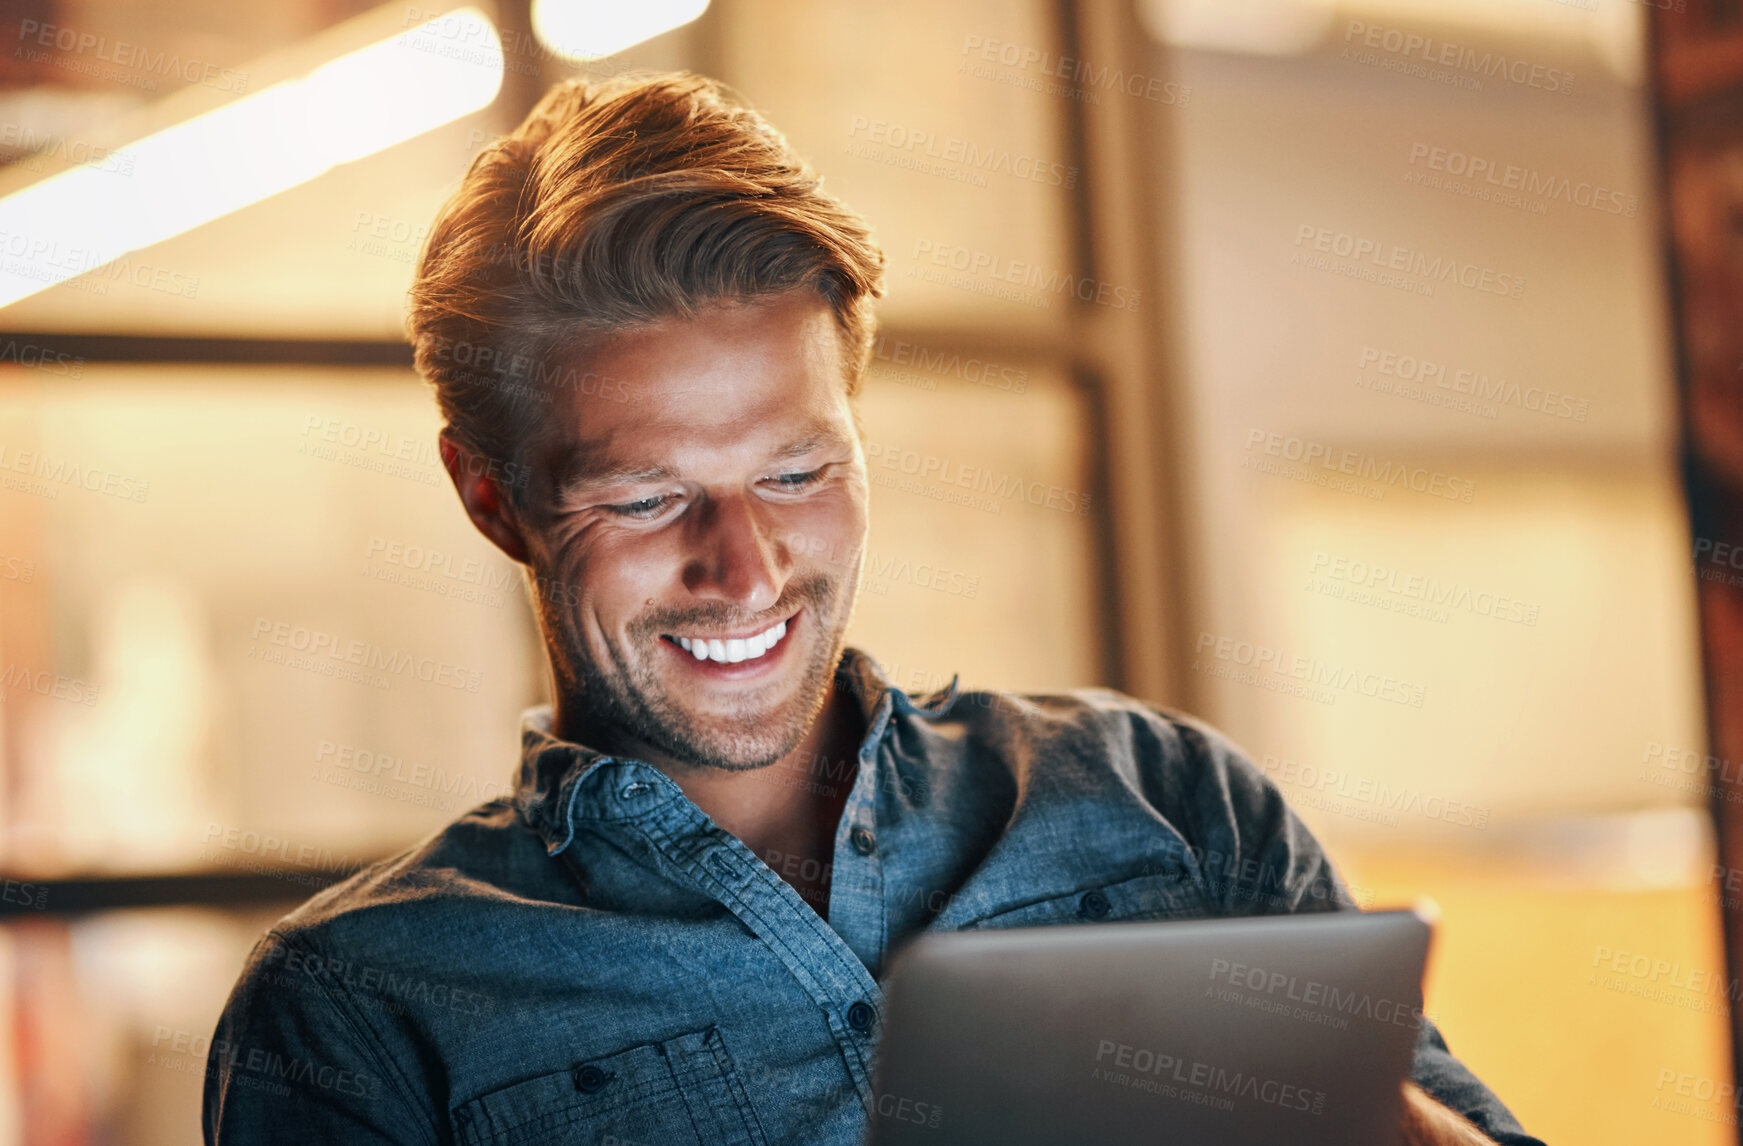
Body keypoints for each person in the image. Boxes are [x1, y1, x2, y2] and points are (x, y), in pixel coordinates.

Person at [203, 72, 1542, 1146]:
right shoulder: (359, 1012)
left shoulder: (1168, 802)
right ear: (491, 498)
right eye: (650, 496)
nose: (747, 563)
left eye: (798, 472)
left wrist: (1343, 1112)